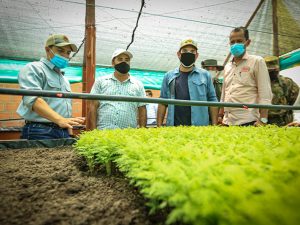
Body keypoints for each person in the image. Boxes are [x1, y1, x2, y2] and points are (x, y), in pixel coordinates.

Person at [17, 34, 85, 140]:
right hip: (40, 130)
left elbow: (65, 110)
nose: (65, 56)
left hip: (63, 130)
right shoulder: (34, 68)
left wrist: (69, 131)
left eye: (68, 53)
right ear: (48, 50)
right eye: (60, 51)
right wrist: (60, 120)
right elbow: (33, 100)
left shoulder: (64, 79)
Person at [157, 39, 218, 127]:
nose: (188, 53)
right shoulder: (169, 76)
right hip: (174, 127)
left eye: (192, 51)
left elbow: (212, 100)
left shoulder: (205, 75)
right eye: (185, 51)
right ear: (179, 54)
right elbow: (162, 101)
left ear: (196, 55)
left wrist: (214, 125)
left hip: (199, 128)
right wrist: (159, 125)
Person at [219, 27, 273, 126]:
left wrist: (263, 119)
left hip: (248, 120)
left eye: (239, 41)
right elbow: (224, 93)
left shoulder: (257, 61)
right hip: (227, 121)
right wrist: (220, 116)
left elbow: (265, 93)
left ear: (247, 42)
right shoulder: (227, 66)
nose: (235, 44)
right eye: (232, 42)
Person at [88, 49, 147, 130]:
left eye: (127, 60)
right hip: (103, 131)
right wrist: (93, 130)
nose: (124, 62)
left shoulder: (138, 84)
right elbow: (93, 106)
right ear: (113, 63)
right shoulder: (101, 81)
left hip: (128, 133)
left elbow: (142, 109)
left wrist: (142, 131)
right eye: (120, 59)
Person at [264, 56, 299, 126]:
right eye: (269, 71)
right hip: (263, 121)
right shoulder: (257, 83)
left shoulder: (287, 82)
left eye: (274, 70)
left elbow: (293, 99)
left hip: (283, 121)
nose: (272, 73)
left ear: (278, 69)